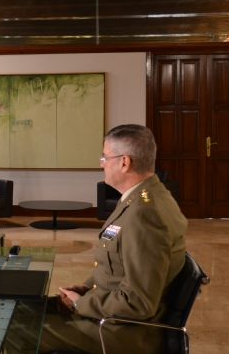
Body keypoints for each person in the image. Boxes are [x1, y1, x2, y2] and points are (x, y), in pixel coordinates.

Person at [41, 124, 188, 354]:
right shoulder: (144, 197)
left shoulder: (145, 214)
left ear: (124, 162)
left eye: (105, 157)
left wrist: (82, 303)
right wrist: (85, 289)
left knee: (16, 328)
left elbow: (138, 302)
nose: (101, 164)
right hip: (111, 316)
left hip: (122, 333)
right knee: (24, 309)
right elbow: (117, 266)